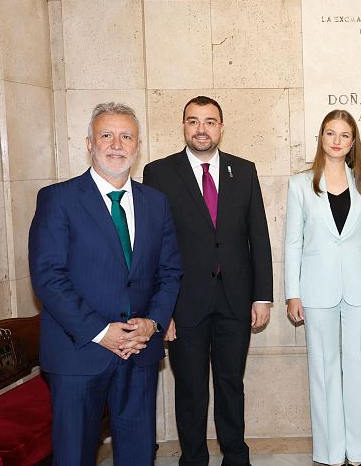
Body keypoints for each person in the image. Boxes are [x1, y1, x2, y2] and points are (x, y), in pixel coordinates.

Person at [29, 102, 182, 465]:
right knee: (74, 455)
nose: (117, 144)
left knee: (138, 454)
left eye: (126, 136)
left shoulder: (156, 203)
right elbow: (49, 276)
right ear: (89, 143)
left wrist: (152, 323)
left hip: (139, 350)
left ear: (137, 145)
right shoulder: (58, 199)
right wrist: (101, 331)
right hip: (78, 353)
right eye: (107, 135)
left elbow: (171, 271)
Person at [142, 96, 273, 466]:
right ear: (183, 126)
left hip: (235, 299)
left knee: (232, 385)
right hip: (184, 303)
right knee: (190, 389)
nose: (202, 129)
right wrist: (159, 310)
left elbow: (257, 236)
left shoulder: (244, 171)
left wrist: (262, 296)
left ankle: (236, 457)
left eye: (210, 121)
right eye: (194, 121)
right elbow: (153, 246)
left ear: (221, 127)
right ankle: (194, 459)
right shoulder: (159, 173)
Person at [284, 109, 361, 466]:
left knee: (360, 366)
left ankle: (360, 451)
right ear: (321, 138)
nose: (337, 140)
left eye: (344, 135)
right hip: (316, 290)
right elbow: (292, 243)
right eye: (331, 133)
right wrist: (292, 292)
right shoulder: (300, 184)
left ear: (353, 141)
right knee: (324, 370)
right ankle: (330, 452)